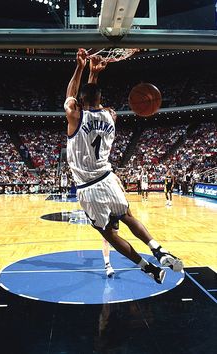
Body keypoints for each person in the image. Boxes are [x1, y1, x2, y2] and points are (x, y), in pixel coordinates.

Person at [64, 49, 183, 284]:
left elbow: (71, 97)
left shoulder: (76, 116)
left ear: (80, 102)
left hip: (89, 187)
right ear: (100, 99)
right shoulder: (110, 116)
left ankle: (146, 266)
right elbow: (90, 98)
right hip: (108, 178)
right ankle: (158, 249)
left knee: (107, 232)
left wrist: (80, 67)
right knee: (127, 216)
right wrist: (94, 74)